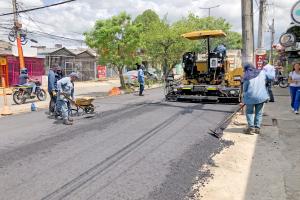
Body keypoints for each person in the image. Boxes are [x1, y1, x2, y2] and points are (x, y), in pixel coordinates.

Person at [242, 63, 270, 135]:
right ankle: (257, 128)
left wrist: (244, 97)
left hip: (250, 97)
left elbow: (245, 89)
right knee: (259, 112)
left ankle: (251, 128)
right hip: (261, 97)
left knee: (249, 112)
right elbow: (267, 82)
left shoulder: (247, 76)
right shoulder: (261, 73)